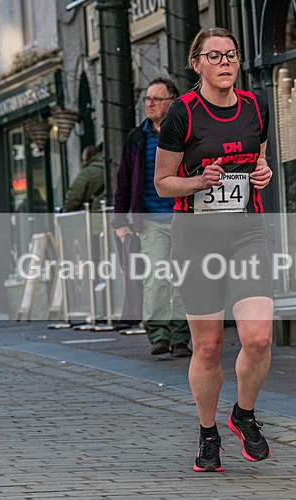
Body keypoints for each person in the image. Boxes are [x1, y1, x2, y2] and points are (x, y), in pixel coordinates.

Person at [154, 28, 275, 471]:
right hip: (196, 236)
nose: (225, 62)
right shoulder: (181, 114)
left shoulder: (256, 106)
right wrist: (200, 181)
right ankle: (208, 435)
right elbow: (163, 183)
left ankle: (243, 414)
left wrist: (263, 175)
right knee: (207, 346)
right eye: (215, 56)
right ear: (198, 64)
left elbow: (258, 161)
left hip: (247, 230)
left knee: (258, 337)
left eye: (231, 55)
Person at [111, 77, 192, 359]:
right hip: (151, 223)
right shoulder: (137, 138)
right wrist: (120, 222)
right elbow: (123, 182)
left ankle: (181, 337)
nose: (149, 104)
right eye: (147, 99)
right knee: (156, 279)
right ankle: (158, 334)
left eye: (156, 99)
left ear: (171, 103)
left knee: (184, 280)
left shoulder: (186, 134)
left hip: (184, 219)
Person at [63, 144, 105, 212]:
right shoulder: (113, 167)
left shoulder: (88, 172)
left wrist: (65, 215)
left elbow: (73, 198)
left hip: (95, 216)